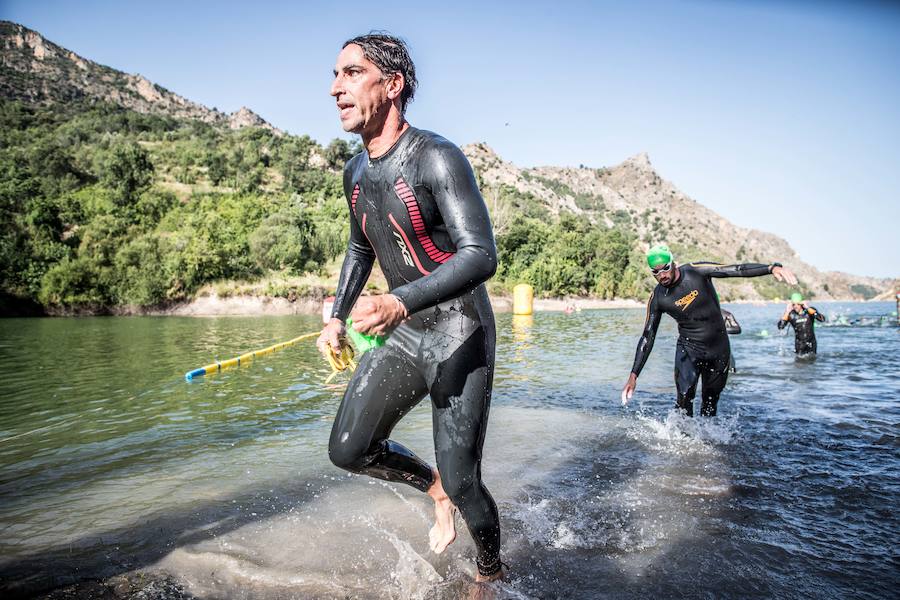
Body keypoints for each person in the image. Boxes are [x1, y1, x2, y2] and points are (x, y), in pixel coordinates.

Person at [317, 34, 503, 582]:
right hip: (404, 333)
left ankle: (491, 574)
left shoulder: (436, 157)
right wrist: (337, 315)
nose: (335, 88)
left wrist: (398, 300)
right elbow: (359, 248)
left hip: (459, 329)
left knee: (466, 478)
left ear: (392, 85)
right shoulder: (355, 173)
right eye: (335, 75)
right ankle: (433, 486)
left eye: (351, 73)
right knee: (349, 450)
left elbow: (480, 254)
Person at [621, 245, 797, 416]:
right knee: (683, 400)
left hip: (718, 348)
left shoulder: (696, 271)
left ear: (673, 263)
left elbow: (735, 269)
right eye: (656, 272)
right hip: (688, 349)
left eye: (665, 268)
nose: (662, 275)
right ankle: (683, 441)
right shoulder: (658, 297)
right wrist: (634, 375)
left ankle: (709, 443)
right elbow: (648, 335)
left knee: (710, 404)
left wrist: (770, 268)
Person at [777, 293, 825, 357]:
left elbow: (822, 319)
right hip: (799, 346)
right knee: (799, 364)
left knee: (812, 363)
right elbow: (780, 326)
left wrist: (807, 308)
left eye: (798, 304)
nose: (795, 306)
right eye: (793, 304)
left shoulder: (809, 311)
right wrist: (787, 311)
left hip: (811, 344)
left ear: (801, 304)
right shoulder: (791, 314)